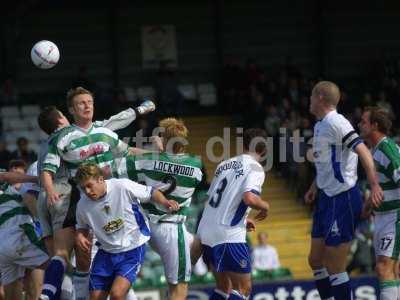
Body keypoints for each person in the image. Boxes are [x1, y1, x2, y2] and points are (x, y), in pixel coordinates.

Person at [39, 87, 155, 300]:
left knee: (117, 257)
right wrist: (50, 190)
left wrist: (156, 156)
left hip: (114, 198)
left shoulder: (105, 132)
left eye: (89, 102)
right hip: (84, 202)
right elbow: (48, 170)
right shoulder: (63, 138)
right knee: (84, 257)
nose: (87, 106)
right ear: (71, 110)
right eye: (81, 103)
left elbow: (128, 151)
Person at [304, 81, 383, 300]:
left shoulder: (337, 123)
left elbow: (363, 152)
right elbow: (325, 162)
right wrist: (313, 186)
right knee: (315, 260)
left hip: (343, 198)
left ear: (320, 98)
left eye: (311, 97)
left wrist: (374, 183)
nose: (308, 101)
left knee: (335, 265)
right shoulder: (320, 124)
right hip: (325, 198)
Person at [115, 117, 203, 300]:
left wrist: (156, 152)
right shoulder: (195, 165)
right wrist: (162, 151)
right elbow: (172, 164)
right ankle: (183, 266)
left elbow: (125, 160)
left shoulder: (147, 160)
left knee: (197, 244)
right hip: (170, 226)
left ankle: (184, 263)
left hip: (147, 225)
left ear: (164, 139)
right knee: (179, 287)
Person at [74, 163, 179, 300]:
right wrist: (80, 236)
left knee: (117, 295)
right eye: (83, 188)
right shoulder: (82, 205)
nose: (87, 191)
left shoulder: (121, 186)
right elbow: (81, 227)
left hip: (132, 248)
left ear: (100, 179)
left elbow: (151, 192)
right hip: (106, 252)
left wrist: (166, 202)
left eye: (89, 185)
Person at [196, 128, 270, 299]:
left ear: (243, 144)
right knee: (244, 289)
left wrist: (243, 221)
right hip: (227, 235)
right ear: (264, 150)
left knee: (224, 287)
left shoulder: (223, 165)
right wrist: (265, 206)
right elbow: (249, 198)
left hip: (205, 232)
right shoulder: (256, 168)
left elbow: (215, 202)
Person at [358, 106, 400, 299]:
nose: (359, 124)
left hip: (395, 217)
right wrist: (369, 204)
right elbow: (382, 185)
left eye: (363, 122)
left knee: (383, 268)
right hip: (383, 216)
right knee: (392, 270)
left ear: (375, 125)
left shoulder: (386, 148)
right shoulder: (374, 150)